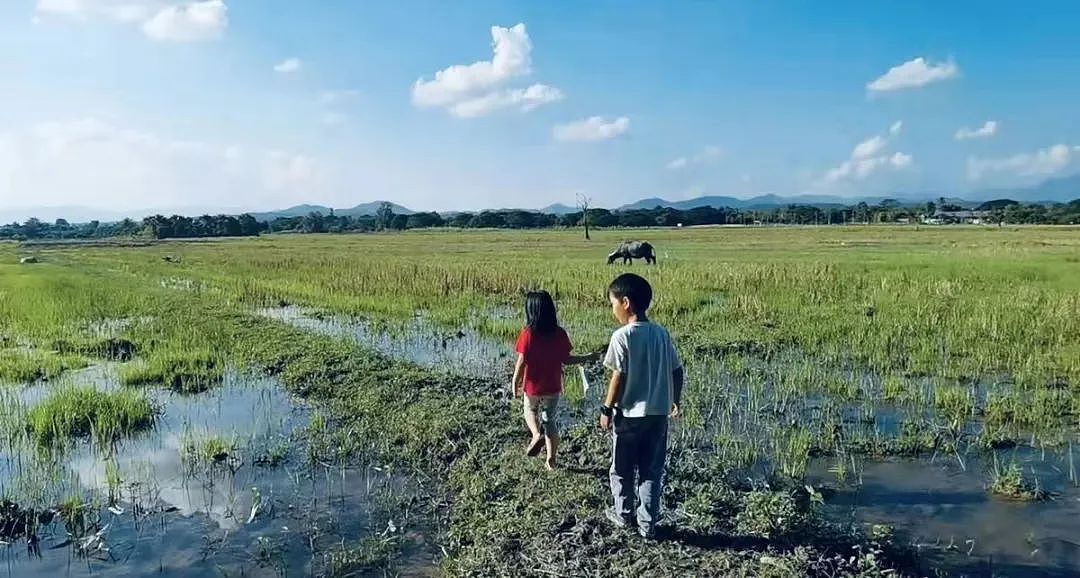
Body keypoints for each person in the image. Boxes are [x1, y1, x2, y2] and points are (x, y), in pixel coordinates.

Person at [599, 273, 683, 539]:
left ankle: (624, 515)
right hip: (658, 415)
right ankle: (648, 525)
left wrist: (606, 409)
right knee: (651, 471)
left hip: (628, 416)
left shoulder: (622, 336)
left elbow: (618, 376)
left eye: (612, 304)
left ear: (625, 303)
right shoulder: (661, 333)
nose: (613, 310)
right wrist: (674, 400)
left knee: (621, 470)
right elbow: (677, 370)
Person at [512, 290, 599, 470]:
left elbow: (521, 362)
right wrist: (587, 357)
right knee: (549, 419)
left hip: (533, 385)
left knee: (529, 409)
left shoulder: (528, 334)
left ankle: (536, 435)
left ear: (530, 311)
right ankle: (551, 460)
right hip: (552, 385)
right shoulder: (559, 333)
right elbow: (566, 359)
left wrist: (515, 383)